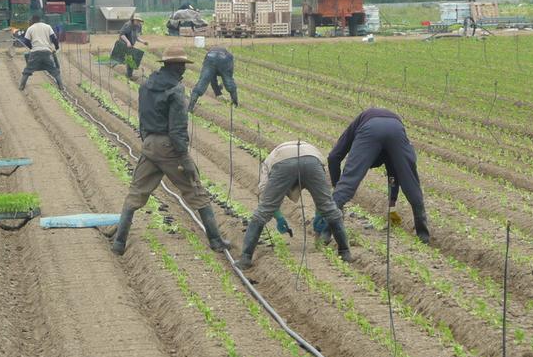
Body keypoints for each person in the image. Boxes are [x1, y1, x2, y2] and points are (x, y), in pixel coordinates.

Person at [112, 46, 231, 256]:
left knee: (136, 193)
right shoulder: (175, 90)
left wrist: (148, 141)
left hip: (149, 144)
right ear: (176, 67)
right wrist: (184, 158)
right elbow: (177, 130)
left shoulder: (146, 85)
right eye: (182, 66)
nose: (184, 70)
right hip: (169, 148)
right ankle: (216, 240)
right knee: (196, 191)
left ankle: (119, 242)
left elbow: (142, 118)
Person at [234, 140, 351, 270]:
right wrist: (321, 213)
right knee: (329, 207)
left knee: (263, 211)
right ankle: (345, 252)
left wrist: (278, 217)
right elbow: (322, 194)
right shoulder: (310, 154)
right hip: (312, 159)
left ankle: (245, 258)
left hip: (283, 162)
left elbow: (265, 196)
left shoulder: (268, 163)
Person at [328, 108, 430, 244]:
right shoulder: (382, 142)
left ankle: (325, 232)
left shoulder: (360, 129)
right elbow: (396, 174)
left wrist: (338, 188)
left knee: (349, 181)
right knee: (411, 182)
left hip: (372, 127)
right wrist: (392, 203)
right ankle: (423, 236)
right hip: (396, 128)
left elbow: (334, 157)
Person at [18, 14, 63, 91]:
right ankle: (61, 86)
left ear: (32, 21)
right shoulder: (47, 26)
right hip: (46, 52)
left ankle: (21, 86)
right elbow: (54, 38)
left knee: (28, 70)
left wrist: (31, 48)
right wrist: (57, 47)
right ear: (40, 20)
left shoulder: (30, 28)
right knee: (54, 70)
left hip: (35, 53)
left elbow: (26, 41)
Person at [187, 45, 238, 112]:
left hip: (210, 57)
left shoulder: (210, 53)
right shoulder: (229, 56)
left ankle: (190, 107)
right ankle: (235, 102)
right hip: (225, 59)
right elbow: (228, 76)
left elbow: (212, 78)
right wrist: (219, 91)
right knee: (228, 80)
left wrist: (218, 92)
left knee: (203, 81)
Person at [117, 14, 149, 79]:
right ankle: (129, 75)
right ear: (133, 20)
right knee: (130, 58)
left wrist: (143, 42)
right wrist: (127, 42)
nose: (138, 22)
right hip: (123, 43)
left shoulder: (139, 26)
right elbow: (122, 35)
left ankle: (129, 74)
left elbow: (136, 37)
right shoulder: (128, 25)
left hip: (131, 44)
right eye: (137, 20)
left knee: (131, 58)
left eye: (139, 21)